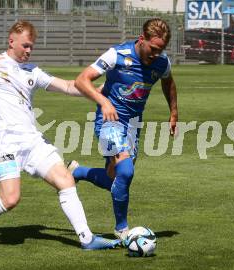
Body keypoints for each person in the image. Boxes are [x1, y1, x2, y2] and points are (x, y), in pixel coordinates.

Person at [0, 20, 120, 250]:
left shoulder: (33, 71)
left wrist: (105, 88)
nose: (29, 51)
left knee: (66, 181)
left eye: (32, 46)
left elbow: (71, 87)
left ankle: (87, 239)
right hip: (5, 143)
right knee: (10, 200)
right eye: (25, 46)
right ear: (11, 41)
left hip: (32, 141)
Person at [68, 18, 178, 242]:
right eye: (153, 48)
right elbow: (82, 80)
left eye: (161, 50)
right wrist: (104, 102)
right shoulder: (116, 55)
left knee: (115, 180)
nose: (156, 54)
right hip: (109, 120)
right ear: (142, 39)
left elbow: (168, 82)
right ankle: (122, 230)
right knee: (126, 171)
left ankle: (76, 172)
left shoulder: (161, 62)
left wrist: (173, 112)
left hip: (133, 125)